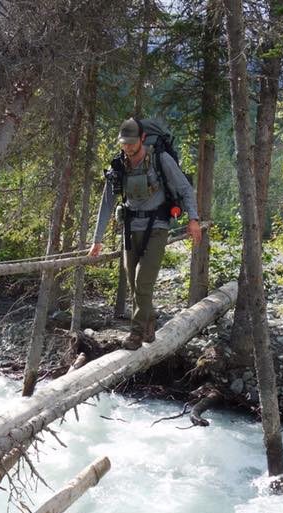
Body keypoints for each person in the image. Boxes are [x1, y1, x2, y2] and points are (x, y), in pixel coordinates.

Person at [88, 118, 202, 350]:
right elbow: (107, 202)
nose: (128, 148)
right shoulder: (118, 165)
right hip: (130, 229)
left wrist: (194, 219)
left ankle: (136, 334)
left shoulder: (160, 159)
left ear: (142, 139)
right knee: (134, 285)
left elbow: (184, 188)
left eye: (132, 143)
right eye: (124, 144)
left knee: (143, 283)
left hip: (157, 226)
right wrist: (97, 240)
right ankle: (149, 327)